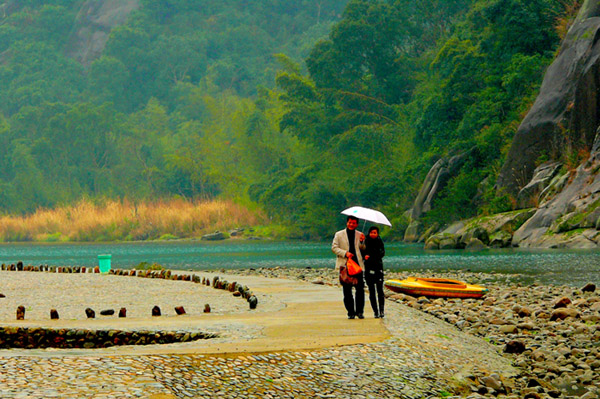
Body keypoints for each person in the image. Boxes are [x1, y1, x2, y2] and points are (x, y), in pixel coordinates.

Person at [332, 215, 365, 319]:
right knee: (347, 290)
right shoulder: (339, 234)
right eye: (350, 222)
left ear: (357, 224)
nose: (351, 224)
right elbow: (334, 248)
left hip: (357, 265)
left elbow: (363, 249)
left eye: (354, 223)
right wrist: (345, 253)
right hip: (345, 265)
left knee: (360, 289)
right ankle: (350, 312)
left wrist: (362, 241)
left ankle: (359, 312)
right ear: (347, 223)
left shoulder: (360, 234)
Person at [363, 226, 386, 318]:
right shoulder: (365, 241)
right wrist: (365, 256)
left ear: (377, 234)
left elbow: (382, 253)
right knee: (371, 291)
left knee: (380, 290)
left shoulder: (379, 241)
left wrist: (373, 255)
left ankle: (381, 310)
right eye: (371, 232)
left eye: (375, 232)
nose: (373, 234)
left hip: (378, 268)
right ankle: (375, 311)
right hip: (368, 268)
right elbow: (361, 251)